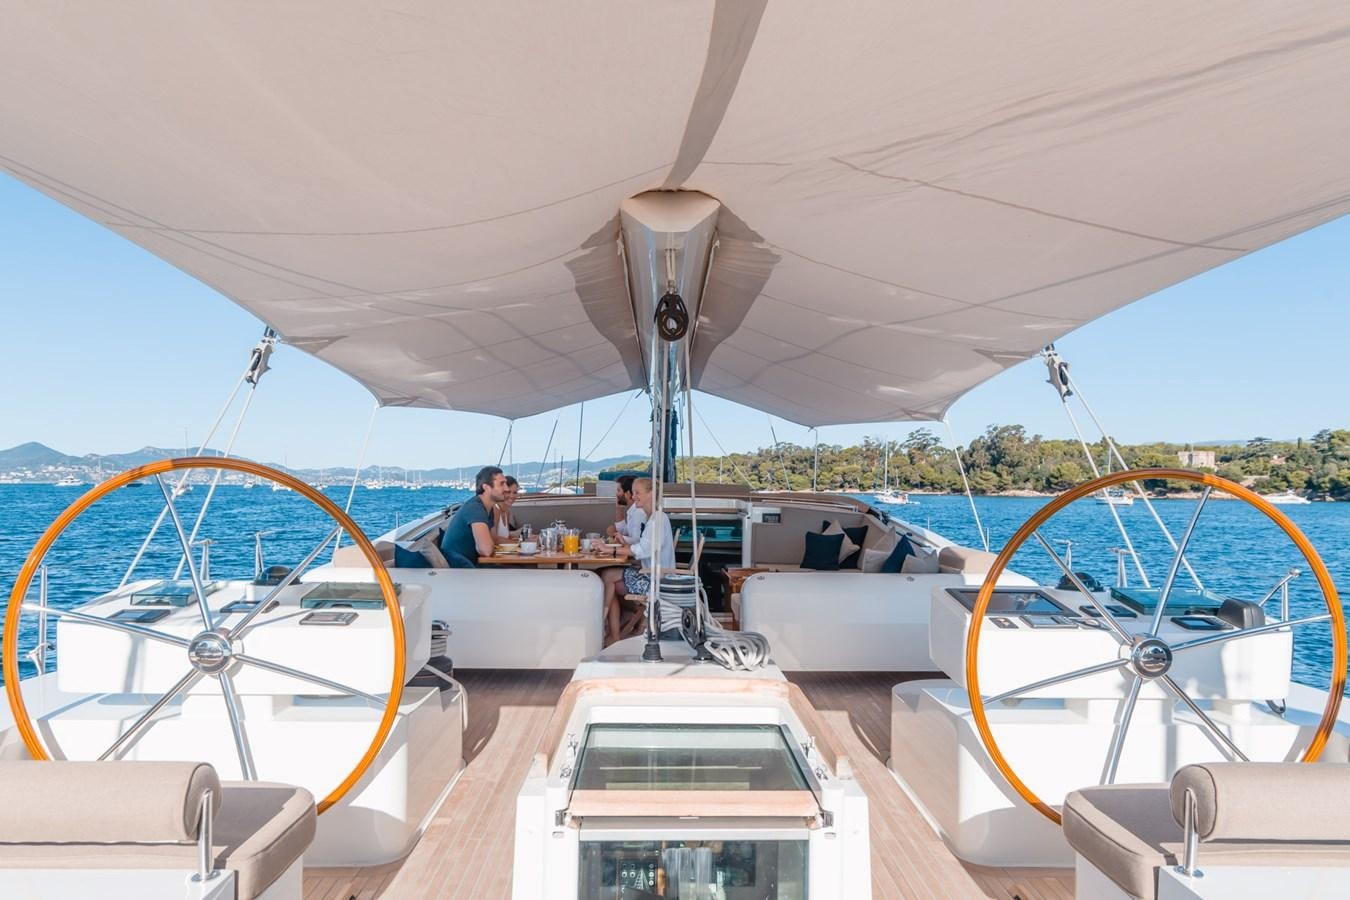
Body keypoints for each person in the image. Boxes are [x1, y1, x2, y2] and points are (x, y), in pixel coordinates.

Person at [600, 477, 673, 644]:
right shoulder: (652, 518)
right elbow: (643, 546)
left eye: (637, 493)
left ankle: (604, 626)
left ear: (651, 494)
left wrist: (609, 549)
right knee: (607, 577)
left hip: (656, 581)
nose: (633, 497)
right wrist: (620, 544)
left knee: (607, 577)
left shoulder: (657, 520)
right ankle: (613, 634)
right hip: (650, 574)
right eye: (633, 493)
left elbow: (642, 550)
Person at [440, 466, 506, 567]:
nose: (506, 488)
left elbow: (493, 539)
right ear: (486, 487)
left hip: (473, 564)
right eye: (502, 484)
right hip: (460, 569)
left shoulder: (488, 508)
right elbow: (486, 550)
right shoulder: (475, 508)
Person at [605, 474, 647, 546]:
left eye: (619, 490)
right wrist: (618, 509)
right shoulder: (633, 510)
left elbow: (637, 541)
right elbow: (624, 532)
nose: (616, 494)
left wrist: (615, 535)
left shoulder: (639, 513)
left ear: (628, 493)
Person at [494, 475, 521, 540]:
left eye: (515, 492)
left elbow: (507, 537)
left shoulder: (506, 512)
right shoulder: (495, 510)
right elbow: (494, 539)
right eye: (508, 492)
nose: (512, 496)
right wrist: (521, 543)